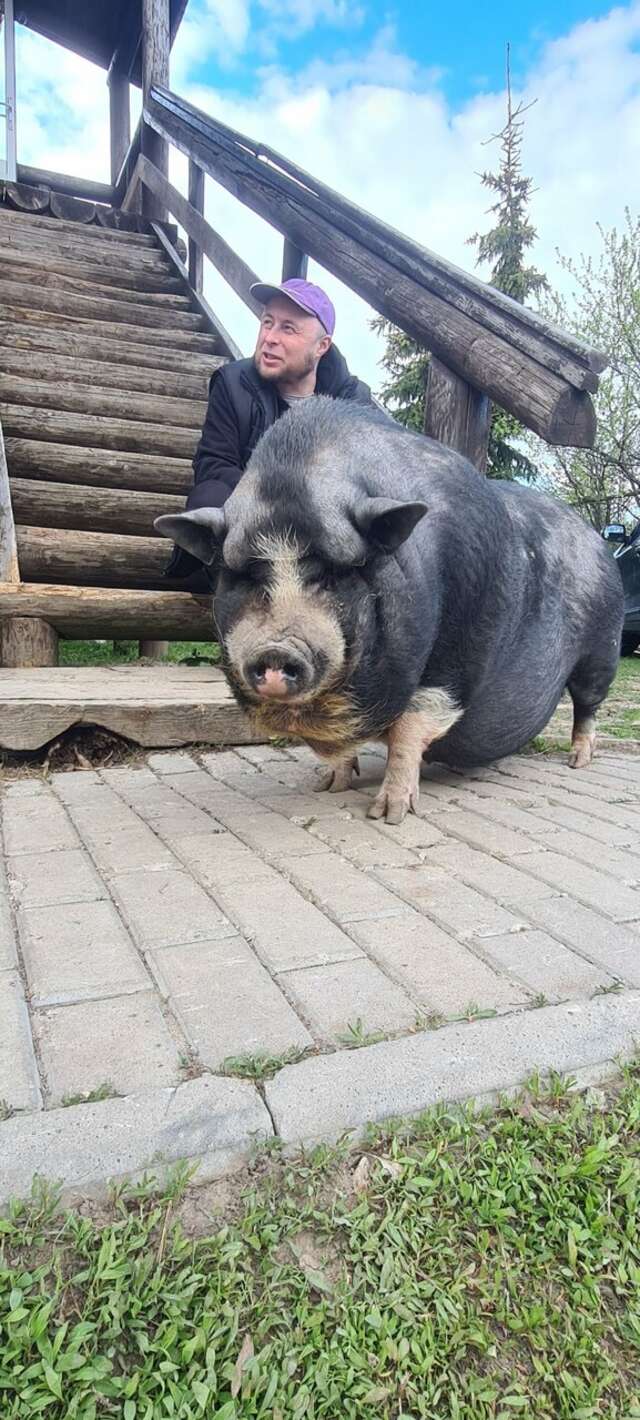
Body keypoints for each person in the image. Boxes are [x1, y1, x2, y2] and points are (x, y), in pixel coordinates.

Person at [165, 278, 375, 581]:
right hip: (251, 520)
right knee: (209, 495)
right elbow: (212, 464)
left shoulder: (352, 402)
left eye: (288, 328)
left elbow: (364, 481)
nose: (270, 338)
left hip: (319, 528)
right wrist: (273, 498)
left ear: (322, 346)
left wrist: (305, 506)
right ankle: (233, 593)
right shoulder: (233, 384)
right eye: (267, 322)